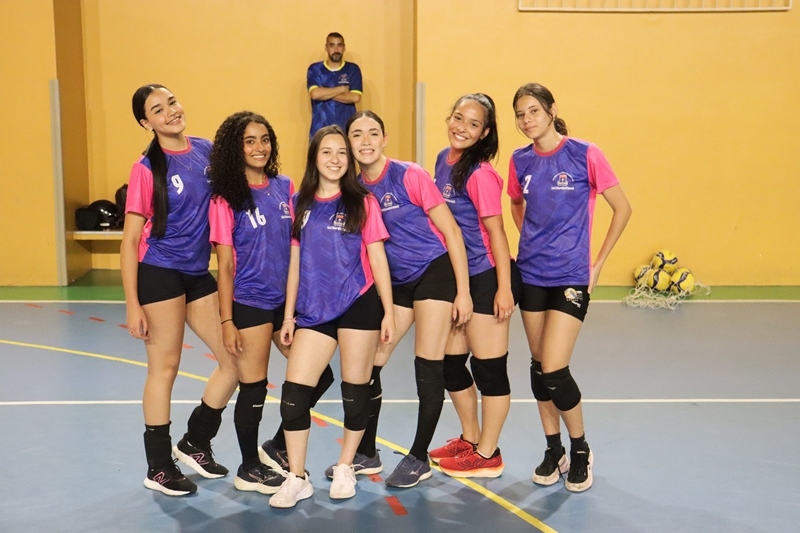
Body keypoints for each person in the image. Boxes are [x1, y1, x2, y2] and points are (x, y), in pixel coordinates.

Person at [336, 111, 472, 488]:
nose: (365, 141)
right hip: (396, 282)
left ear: (385, 139)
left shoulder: (409, 175)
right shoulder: (352, 188)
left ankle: (418, 457)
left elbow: (452, 232)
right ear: (349, 143)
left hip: (434, 272)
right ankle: (366, 452)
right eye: (357, 134)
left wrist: (462, 291)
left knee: (427, 365)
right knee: (371, 365)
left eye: (373, 133)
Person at [508, 82, 632, 492]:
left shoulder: (585, 154)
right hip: (531, 274)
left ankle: (580, 449)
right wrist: (530, 237)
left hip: (571, 276)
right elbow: (515, 202)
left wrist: (598, 263)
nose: (527, 120)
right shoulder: (519, 160)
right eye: (520, 114)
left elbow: (622, 208)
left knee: (555, 368)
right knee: (537, 366)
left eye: (533, 111)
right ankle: (554, 449)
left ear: (551, 110)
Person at [268, 125, 395, 508]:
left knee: (355, 394)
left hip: (358, 303)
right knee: (294, 396)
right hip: (314, 309)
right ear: (315, 158)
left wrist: (388, 312)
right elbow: (294, 262)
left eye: (342, 152)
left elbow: (377, 258)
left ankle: (345, 466)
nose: (335, 159)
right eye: (327, 152)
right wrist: (288, 317)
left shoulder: (363, 202)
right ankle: (297, 476)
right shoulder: (299, 203)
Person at [121, 84, 239, 496]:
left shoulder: (206, 151)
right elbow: (130, 241)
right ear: (146, 123)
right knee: (165, 367)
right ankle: (158, 467)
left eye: (171, 102)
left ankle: (195, 441)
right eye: (158, 109)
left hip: (197, 273)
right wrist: (133, 304)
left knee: (235, 360)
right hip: (160, 273)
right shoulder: (146, 168)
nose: (170, 111)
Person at [429, 93, 521, 479]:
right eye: (457, 118)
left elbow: (497, 233)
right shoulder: (442, 160)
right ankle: (470, 439)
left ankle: (488, 453)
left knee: (489, 370)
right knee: (451, 365)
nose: (461, 128)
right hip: (458, 276)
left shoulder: (480, 174)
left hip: (486, 276)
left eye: (472, 124)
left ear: (484, 133)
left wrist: (504, 289)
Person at [307, 32, 362, 137]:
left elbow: (355, 97)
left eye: (339, 45)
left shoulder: (352, 69)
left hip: (346, 130)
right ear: (326, 47)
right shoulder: (315, 69)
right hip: (319, 130)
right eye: (332, 45)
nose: (336, 50)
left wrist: (324, 92)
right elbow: (315, 94)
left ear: (344, 47)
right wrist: (342, 89)